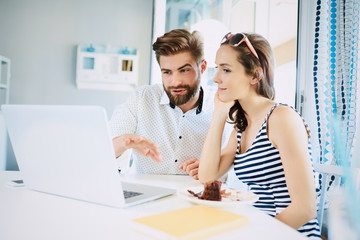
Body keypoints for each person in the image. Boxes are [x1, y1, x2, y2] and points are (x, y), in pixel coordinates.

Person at [198, 32, 321, 239]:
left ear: (255, 76)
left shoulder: (282, 118)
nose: (215, 77)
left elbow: (305, 208)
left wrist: (257, 234)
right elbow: (208, 178)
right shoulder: (241, 127)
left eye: (226, 69)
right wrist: (218, 115)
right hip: (261, 229)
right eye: (217, 68)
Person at [110, 29, 229, 179]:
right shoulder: (141, 99)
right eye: (167, 72)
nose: (175, 82)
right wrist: (123, 142)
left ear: (203, 67)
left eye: (184, 70)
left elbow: (234, 169)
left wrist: (213, 169)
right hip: (146, 196)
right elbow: (105, 152)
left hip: (195, 197)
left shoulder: (221, 108)